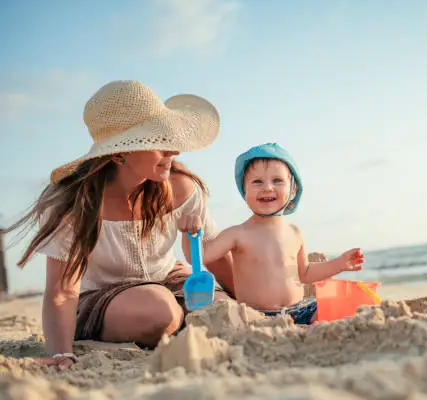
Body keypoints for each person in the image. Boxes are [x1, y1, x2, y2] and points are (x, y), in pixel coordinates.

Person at [3, 80, 235, 370]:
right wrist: (62, 352)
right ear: (118, 153)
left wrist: (248, 305)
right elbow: (62, 291)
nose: (173, 150)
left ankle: (181, 321)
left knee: (224, 312)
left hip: (168, 277)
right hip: (103, 297)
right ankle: (175, 323)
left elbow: (215, 253)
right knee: (161, 312)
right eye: (157, 140)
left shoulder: (181, 187)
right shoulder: (72, 203)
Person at [185, 143, 365, 325]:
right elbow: (199, 257)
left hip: (300, 309)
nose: (267, 188)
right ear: (244, 191)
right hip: (256, 316)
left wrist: (340, 263)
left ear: (293, 189)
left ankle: (310, 327)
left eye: (277, 180)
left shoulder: (294, 232)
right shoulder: (237, 234)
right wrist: (189, 233)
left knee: (335, 310)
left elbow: (305, 273)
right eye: (257, 182)